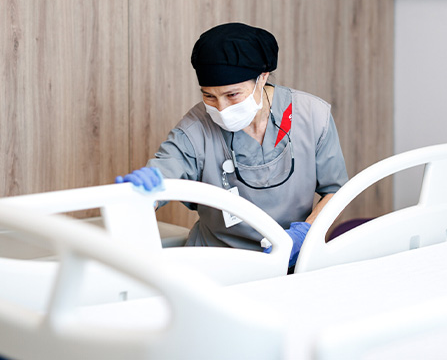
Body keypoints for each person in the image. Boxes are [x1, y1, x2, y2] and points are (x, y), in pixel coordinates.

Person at [116, 22, 348, 267]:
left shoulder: (311, 115)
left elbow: (335, 191)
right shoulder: (196, 128)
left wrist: (304, 235)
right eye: (209, 96)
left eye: (232, 95)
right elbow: (167, 168)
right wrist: (143, 194)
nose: (221, 109)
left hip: (291, 260)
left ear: (262, 78)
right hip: (216, 263)